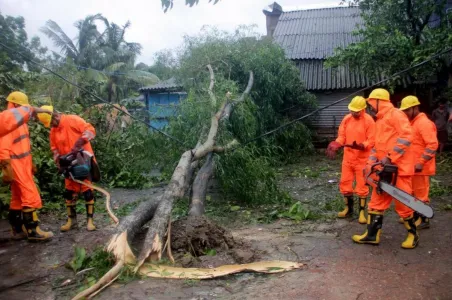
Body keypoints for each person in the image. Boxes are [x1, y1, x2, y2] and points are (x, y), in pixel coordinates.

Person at [352, 88, 418, 249]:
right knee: (375, 203)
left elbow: (407, 136)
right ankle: (372, 235)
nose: (370, 107)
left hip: (398, 169)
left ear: (378, 101)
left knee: (403, 204)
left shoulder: (395, 114)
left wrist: (390, 157)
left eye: (371, 103)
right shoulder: (379, 120)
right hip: (384, 171)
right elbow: (376, 146)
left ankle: (412, 235)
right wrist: (371, 163)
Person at [0, 92, 54, 241]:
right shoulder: (8, 122)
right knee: (30, 195)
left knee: (17, 198)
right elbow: (3, 148)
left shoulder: (19, 123)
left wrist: (31, 164)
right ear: (16, 105)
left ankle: (17, 230)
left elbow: (23, 146)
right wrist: (6, 168)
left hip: (23, 164)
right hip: (15, 164)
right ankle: (33, 231)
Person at [38, 106, 97, 232]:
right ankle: (72, 221)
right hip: (68, 165)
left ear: (55, 116)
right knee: (69, 192)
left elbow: (90, 130)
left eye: (52, 122)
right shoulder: (53, 130)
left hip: (82, 160)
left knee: (87, 191)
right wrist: (58, 162)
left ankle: (90, 221)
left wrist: (81, 141)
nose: (52, 125)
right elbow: (54, 148)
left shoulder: (72, 120)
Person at [326, 96, 375, 224]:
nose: (354, 113)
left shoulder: (369, 121)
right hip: (348, 158)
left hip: (362, 159)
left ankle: (361, 213)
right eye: (352, 110)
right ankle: (348, 209)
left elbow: (372, 139)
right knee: (345, 183)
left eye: (356, 111)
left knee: (362, 186)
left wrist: (362, 145)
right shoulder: (347, 119)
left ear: (363, 109)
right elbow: (342, 135)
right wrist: (337, 143)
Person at [399, 96, 438, 229]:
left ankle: (424, 219)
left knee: (421, 193)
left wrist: (421, 162)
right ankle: (415, 215)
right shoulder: (413, 122)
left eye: (407, 110)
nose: (405, 113)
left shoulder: (424, 123)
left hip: (421, 167)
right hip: (412, 166)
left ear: (416, 108)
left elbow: (432, 145)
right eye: (404, 111)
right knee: (413, 192)